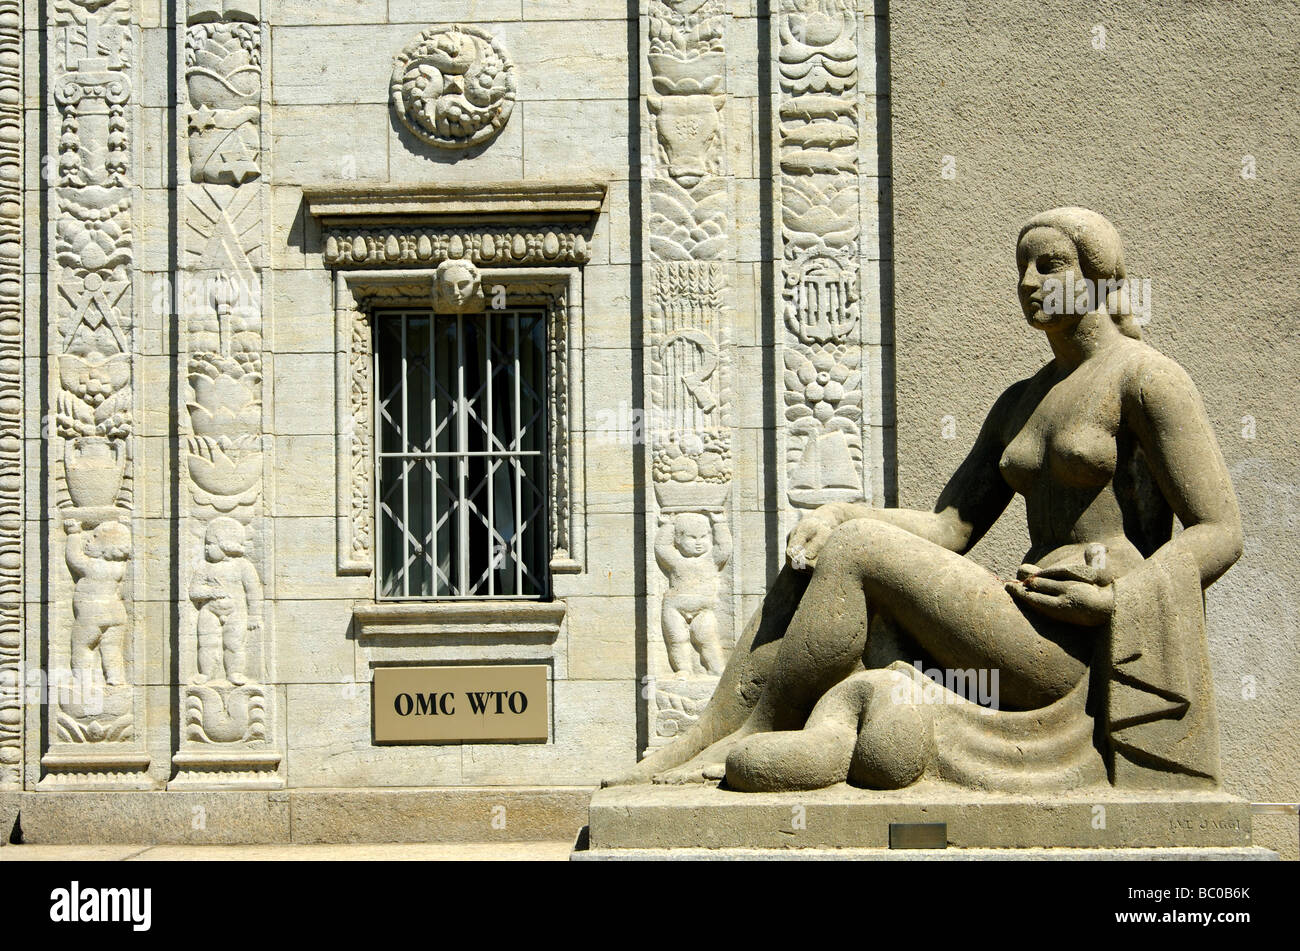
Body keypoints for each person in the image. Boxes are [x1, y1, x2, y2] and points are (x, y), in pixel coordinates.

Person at [613, 207, 1242, 791]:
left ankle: (764, 729)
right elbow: (948, 528)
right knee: (828, 547)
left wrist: (1117, 599)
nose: (1027, 281)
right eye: (1020, 267)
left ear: (1098, 276)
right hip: (1023, 619)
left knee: (859, 549)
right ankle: (712, 731)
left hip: (1079, 642)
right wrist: (839, 512)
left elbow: (1218, 529)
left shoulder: (1146, 376)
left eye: (1048, 265)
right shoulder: (1020, 400)